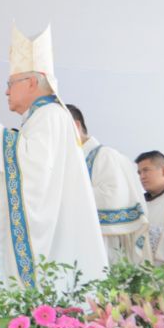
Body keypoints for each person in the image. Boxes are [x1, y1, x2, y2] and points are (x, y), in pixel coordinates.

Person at [0, 25, 108, 292]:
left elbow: (34, 170)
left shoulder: (51, 115)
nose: (6, 92)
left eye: (10, 83)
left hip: (53, 244)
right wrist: (6, 173)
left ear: (31, 81)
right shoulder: (39, 118)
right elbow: (31, 168)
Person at [66, 104, 151, 264]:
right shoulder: (72, 162)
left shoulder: (105, 155)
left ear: (76, 126)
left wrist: (66, 192)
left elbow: (114, 198)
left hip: (106, 245)